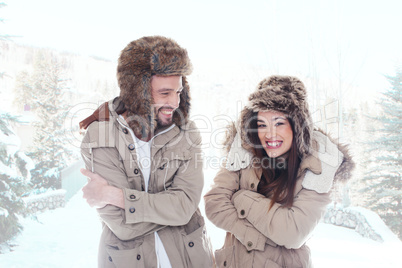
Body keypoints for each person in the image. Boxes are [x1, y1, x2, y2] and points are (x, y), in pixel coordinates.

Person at [79, 36, 214, 268]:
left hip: (190, 259)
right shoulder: (100, 135)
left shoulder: (187, 132)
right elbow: (123, 224)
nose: (174, 102)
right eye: (164, 93)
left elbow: (184, 208)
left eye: (179, 92)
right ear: (136, 92)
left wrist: (116, 196)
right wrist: (170, 210)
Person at [204, 75, 355, 268]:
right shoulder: (243, 152)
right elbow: (214, 203)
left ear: (296, 126)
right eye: (261, 125)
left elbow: (294, 233)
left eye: (279, 123)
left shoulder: (320, 165)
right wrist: (256, 237)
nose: (270, 134)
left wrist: (241, 198)